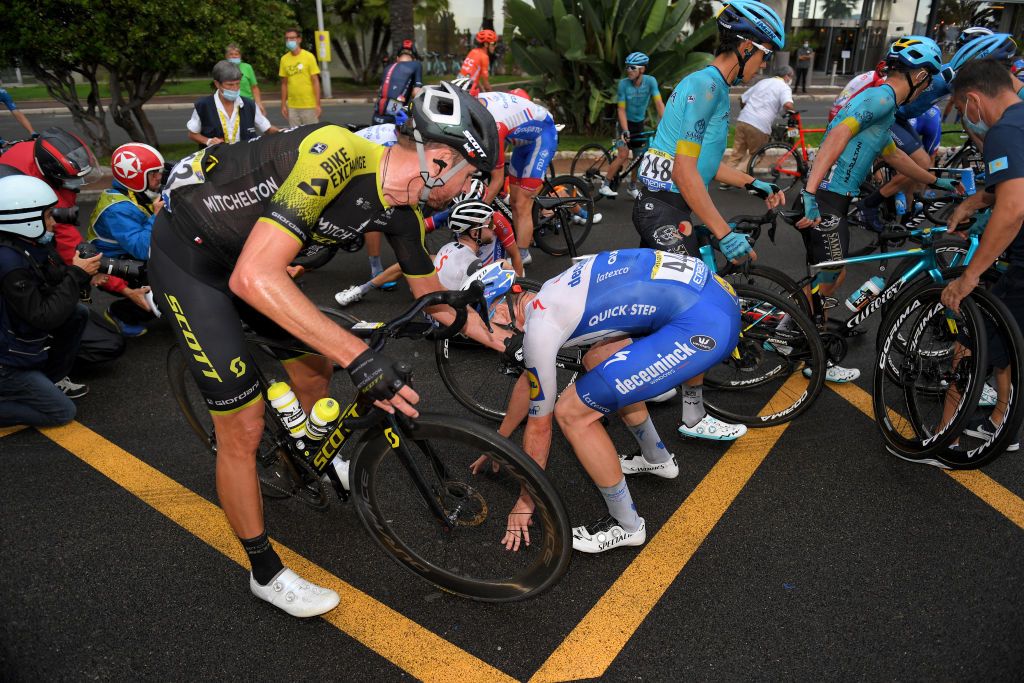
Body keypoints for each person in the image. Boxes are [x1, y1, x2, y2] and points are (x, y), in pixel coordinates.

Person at [148, 83, 505, 617]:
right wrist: (359, 358)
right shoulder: (336, 153)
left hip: (253, 263)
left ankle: (312, 450)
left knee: (314, 369)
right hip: (196, 262)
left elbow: (435, 302)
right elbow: (253, 277)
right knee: (242, 427)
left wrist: (508, 342)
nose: (470, 189)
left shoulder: (401, 212)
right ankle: (264, 572)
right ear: (439, 159)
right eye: (470, 176)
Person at [487, 249, 740, 553]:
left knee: (571, 413)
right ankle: (655, 458)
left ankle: (626, 525)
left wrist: (526, 500)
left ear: (501, 313)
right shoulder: (551, 289)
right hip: (717, 295)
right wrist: (499, 441)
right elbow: (532, 382)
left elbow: (540, 428)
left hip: (702, 325)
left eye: (488, 322)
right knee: (598, 358)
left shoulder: (540, 330)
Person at [632, 0, 787, 441]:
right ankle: (694, 417)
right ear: (744, 47)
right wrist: (723, 232)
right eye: (764, 55)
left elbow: (703, 165)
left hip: (672, 204)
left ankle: (648, 375)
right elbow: (684, 173)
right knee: (697, 304)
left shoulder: (711, 85)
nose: (763, 65)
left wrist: (752, 184)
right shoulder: (708, 87)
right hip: (664, 207)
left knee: (657, 301)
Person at [797, 36, 953, 382]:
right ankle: (808, 347)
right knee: (830, 276)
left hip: (831, 197)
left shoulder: (885, 105)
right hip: (825, 198)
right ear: (921, 78)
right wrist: (809, 191)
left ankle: (790, 328)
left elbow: (893, 155)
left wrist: (933, 180)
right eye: (929, 83)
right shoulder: (880, 97)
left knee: (826, 276)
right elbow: (838, 134)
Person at [941, 58, 1024, 448]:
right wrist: (974, 202)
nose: (965, 119)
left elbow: (1013, 208)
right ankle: (1001, 422)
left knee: (970, 342)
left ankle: (944, 442)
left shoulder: (1005, 131)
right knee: (1005, 342)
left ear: (973, 100)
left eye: (961, 110)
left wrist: (969, 276)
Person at [858, 33, 1017, 231]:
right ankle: (870, 203)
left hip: (903, 118)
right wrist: (985, 148)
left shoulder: (957, 78)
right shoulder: (956, 78)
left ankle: (906, 216)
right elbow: (967, 118)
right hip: (892, 116)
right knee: (923, 163)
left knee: (921, 167)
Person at [0, 174, 101, 426]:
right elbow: (44, 317)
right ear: (23, 220)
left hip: (17, 346)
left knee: (77, 313)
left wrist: (80, 271)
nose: (54, 221)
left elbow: (54, 280)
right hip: (5, 362)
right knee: (61, 413)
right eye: (47, 215)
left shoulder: (29, 245)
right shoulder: (9, 262)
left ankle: (51, 379)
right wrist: (76, 274)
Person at [86, 142, 165, 336]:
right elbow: (141, 248)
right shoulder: (118, 208)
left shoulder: (133, 192)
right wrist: (156, 216)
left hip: (123, 255)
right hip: (111, 265)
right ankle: (120, 314)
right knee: (164, 282)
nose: (159, 177)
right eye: (153, 173)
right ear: (136, 177)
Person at [477, 89, 559, 266]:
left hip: (542, 140)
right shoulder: (481, 103)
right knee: (513, 201)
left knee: (522, 203)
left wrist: (478, 213)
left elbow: (497, 179)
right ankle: (518, 245)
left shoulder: (496, 124)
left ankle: (522, 255)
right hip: (522, 147)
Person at [598, 52, 665, 200]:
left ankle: (632, 186)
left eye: (632, 68)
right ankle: (605, 185)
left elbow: (659, 103)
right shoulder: (623, 84)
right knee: (623, 155)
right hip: (623, 124)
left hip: (638, 124)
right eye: (627, 67)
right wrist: (625, 130)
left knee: (638, 157)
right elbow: (621, 109)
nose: (628, 70)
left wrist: (667, 122)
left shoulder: (651, 82)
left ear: (642, 69)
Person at [724, 65, 795, 179]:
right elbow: (787, 104)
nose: (791, 79)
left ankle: (725, 179)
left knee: (737, 153)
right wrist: (794, 114)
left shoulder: (764, 82)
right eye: (791, 76)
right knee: (757, 155)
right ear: (787, 76)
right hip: (759, 125)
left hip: (743, 120)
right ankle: (734, 177)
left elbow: (742, 99)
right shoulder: (784, 87)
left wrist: (748, 112)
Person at [188, 61, 277, 147]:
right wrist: (208, 141)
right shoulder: (203, 106)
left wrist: (288, 133)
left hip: (244, 158)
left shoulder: (249, 105)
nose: (235, 88)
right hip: (215, 159)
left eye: (238, 84)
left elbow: (268, 129)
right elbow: (192, 134)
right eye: (230, 85)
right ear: (217, 84)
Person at [372, 39, 423, 125]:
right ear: (414, 58)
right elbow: (416, 92)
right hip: (393, 117)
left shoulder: (388, 67)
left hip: (376, 116)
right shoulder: (416, 64)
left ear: (397, 58)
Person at [279, 27, 321, 127]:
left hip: (309, 105)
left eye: (292, 38)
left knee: (311, 134)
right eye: (287, 39)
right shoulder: (284, 59)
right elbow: (284, 84)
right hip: (292, 106)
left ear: (299, 39)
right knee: (295, 136)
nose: (289, 41)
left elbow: (315, 81)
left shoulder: (309, 57)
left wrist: (318, 104)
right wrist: (283, 104)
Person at [225, 44, 266, 115]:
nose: (234, 56)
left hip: (247, 103)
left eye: (236, 54)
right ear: (226, 56)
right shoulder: (223, 68)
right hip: (229, 103)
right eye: (231, 54)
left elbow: (254, 87)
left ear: (240, 56)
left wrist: (259, 103)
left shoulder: (247, 67)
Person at [458, 29, 498, 97]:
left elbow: (474, 77)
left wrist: (482, 90)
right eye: (493, 43)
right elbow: (486, 84)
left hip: (458, 86)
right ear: (486, 44)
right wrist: (494, 96)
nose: (495, 46)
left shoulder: (473, 51)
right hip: (467, 91)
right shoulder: (484, 57)